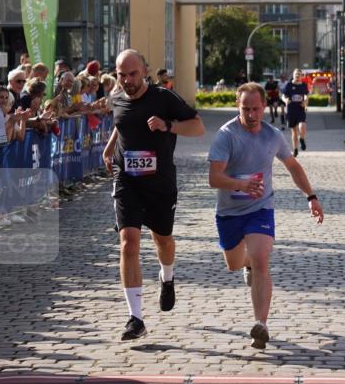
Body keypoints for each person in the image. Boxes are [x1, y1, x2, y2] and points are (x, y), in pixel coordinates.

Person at [208, 82, 323, 349]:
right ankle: (244, 264)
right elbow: (213, 178)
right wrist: (241, 185)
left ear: (264, 107)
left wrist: (311, 196)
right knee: (234, 264)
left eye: (256, 109)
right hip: (229, 211)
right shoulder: (226, 135)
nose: (251, 114)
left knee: (261, 258)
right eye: (245, 108)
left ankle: (261, 324)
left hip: (261, 208)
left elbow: (292, 165)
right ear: (238, 107)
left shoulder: (273, 136)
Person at [102, 49, 205, 341]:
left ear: (145, 71)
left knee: (162, 239)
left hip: (159, 182)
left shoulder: (164, 98)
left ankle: (167, 276)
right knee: (128, 241)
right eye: (122, 74)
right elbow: (121, 122)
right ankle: (135, 318)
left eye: (132, 74)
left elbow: (198, 127)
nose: (127, 80)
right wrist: (110, 148)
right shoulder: (116, 96)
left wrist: (167, 126)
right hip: (127, 180)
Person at [282, 67, 309, 156]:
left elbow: (306, 96)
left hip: (300, 109)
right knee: (294, 131)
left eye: (299, 74)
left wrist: (305, 101)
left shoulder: (303, 85)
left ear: (301, 76)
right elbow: (283, 96)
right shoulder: (289, 85)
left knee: (302, 126)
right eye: (296, 74)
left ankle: (302, 139)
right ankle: (295, 149)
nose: (297, 75)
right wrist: (285, 100)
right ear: (293, 75)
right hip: (291, 110)